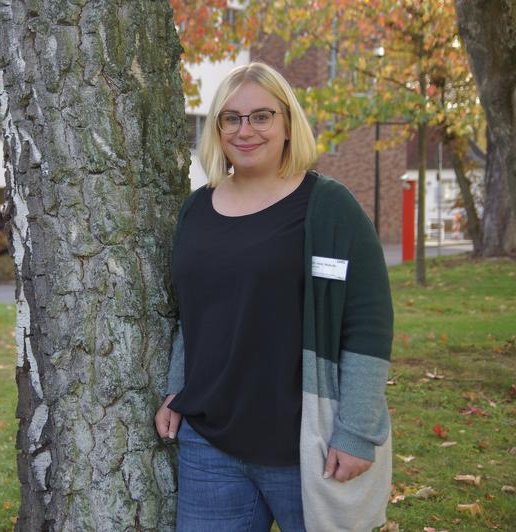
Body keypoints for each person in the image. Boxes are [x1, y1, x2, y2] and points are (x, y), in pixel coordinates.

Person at [154, 62, 393, 531]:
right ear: (217, 128)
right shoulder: (197, 209)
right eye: (231, 118)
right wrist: (176, 389)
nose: (246, 130)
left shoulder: (328, 207)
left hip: (306, 443)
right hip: (210, 444)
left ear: (287, 124)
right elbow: (193, 316)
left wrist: (358, 432)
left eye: (261, 116)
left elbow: (368, 325)